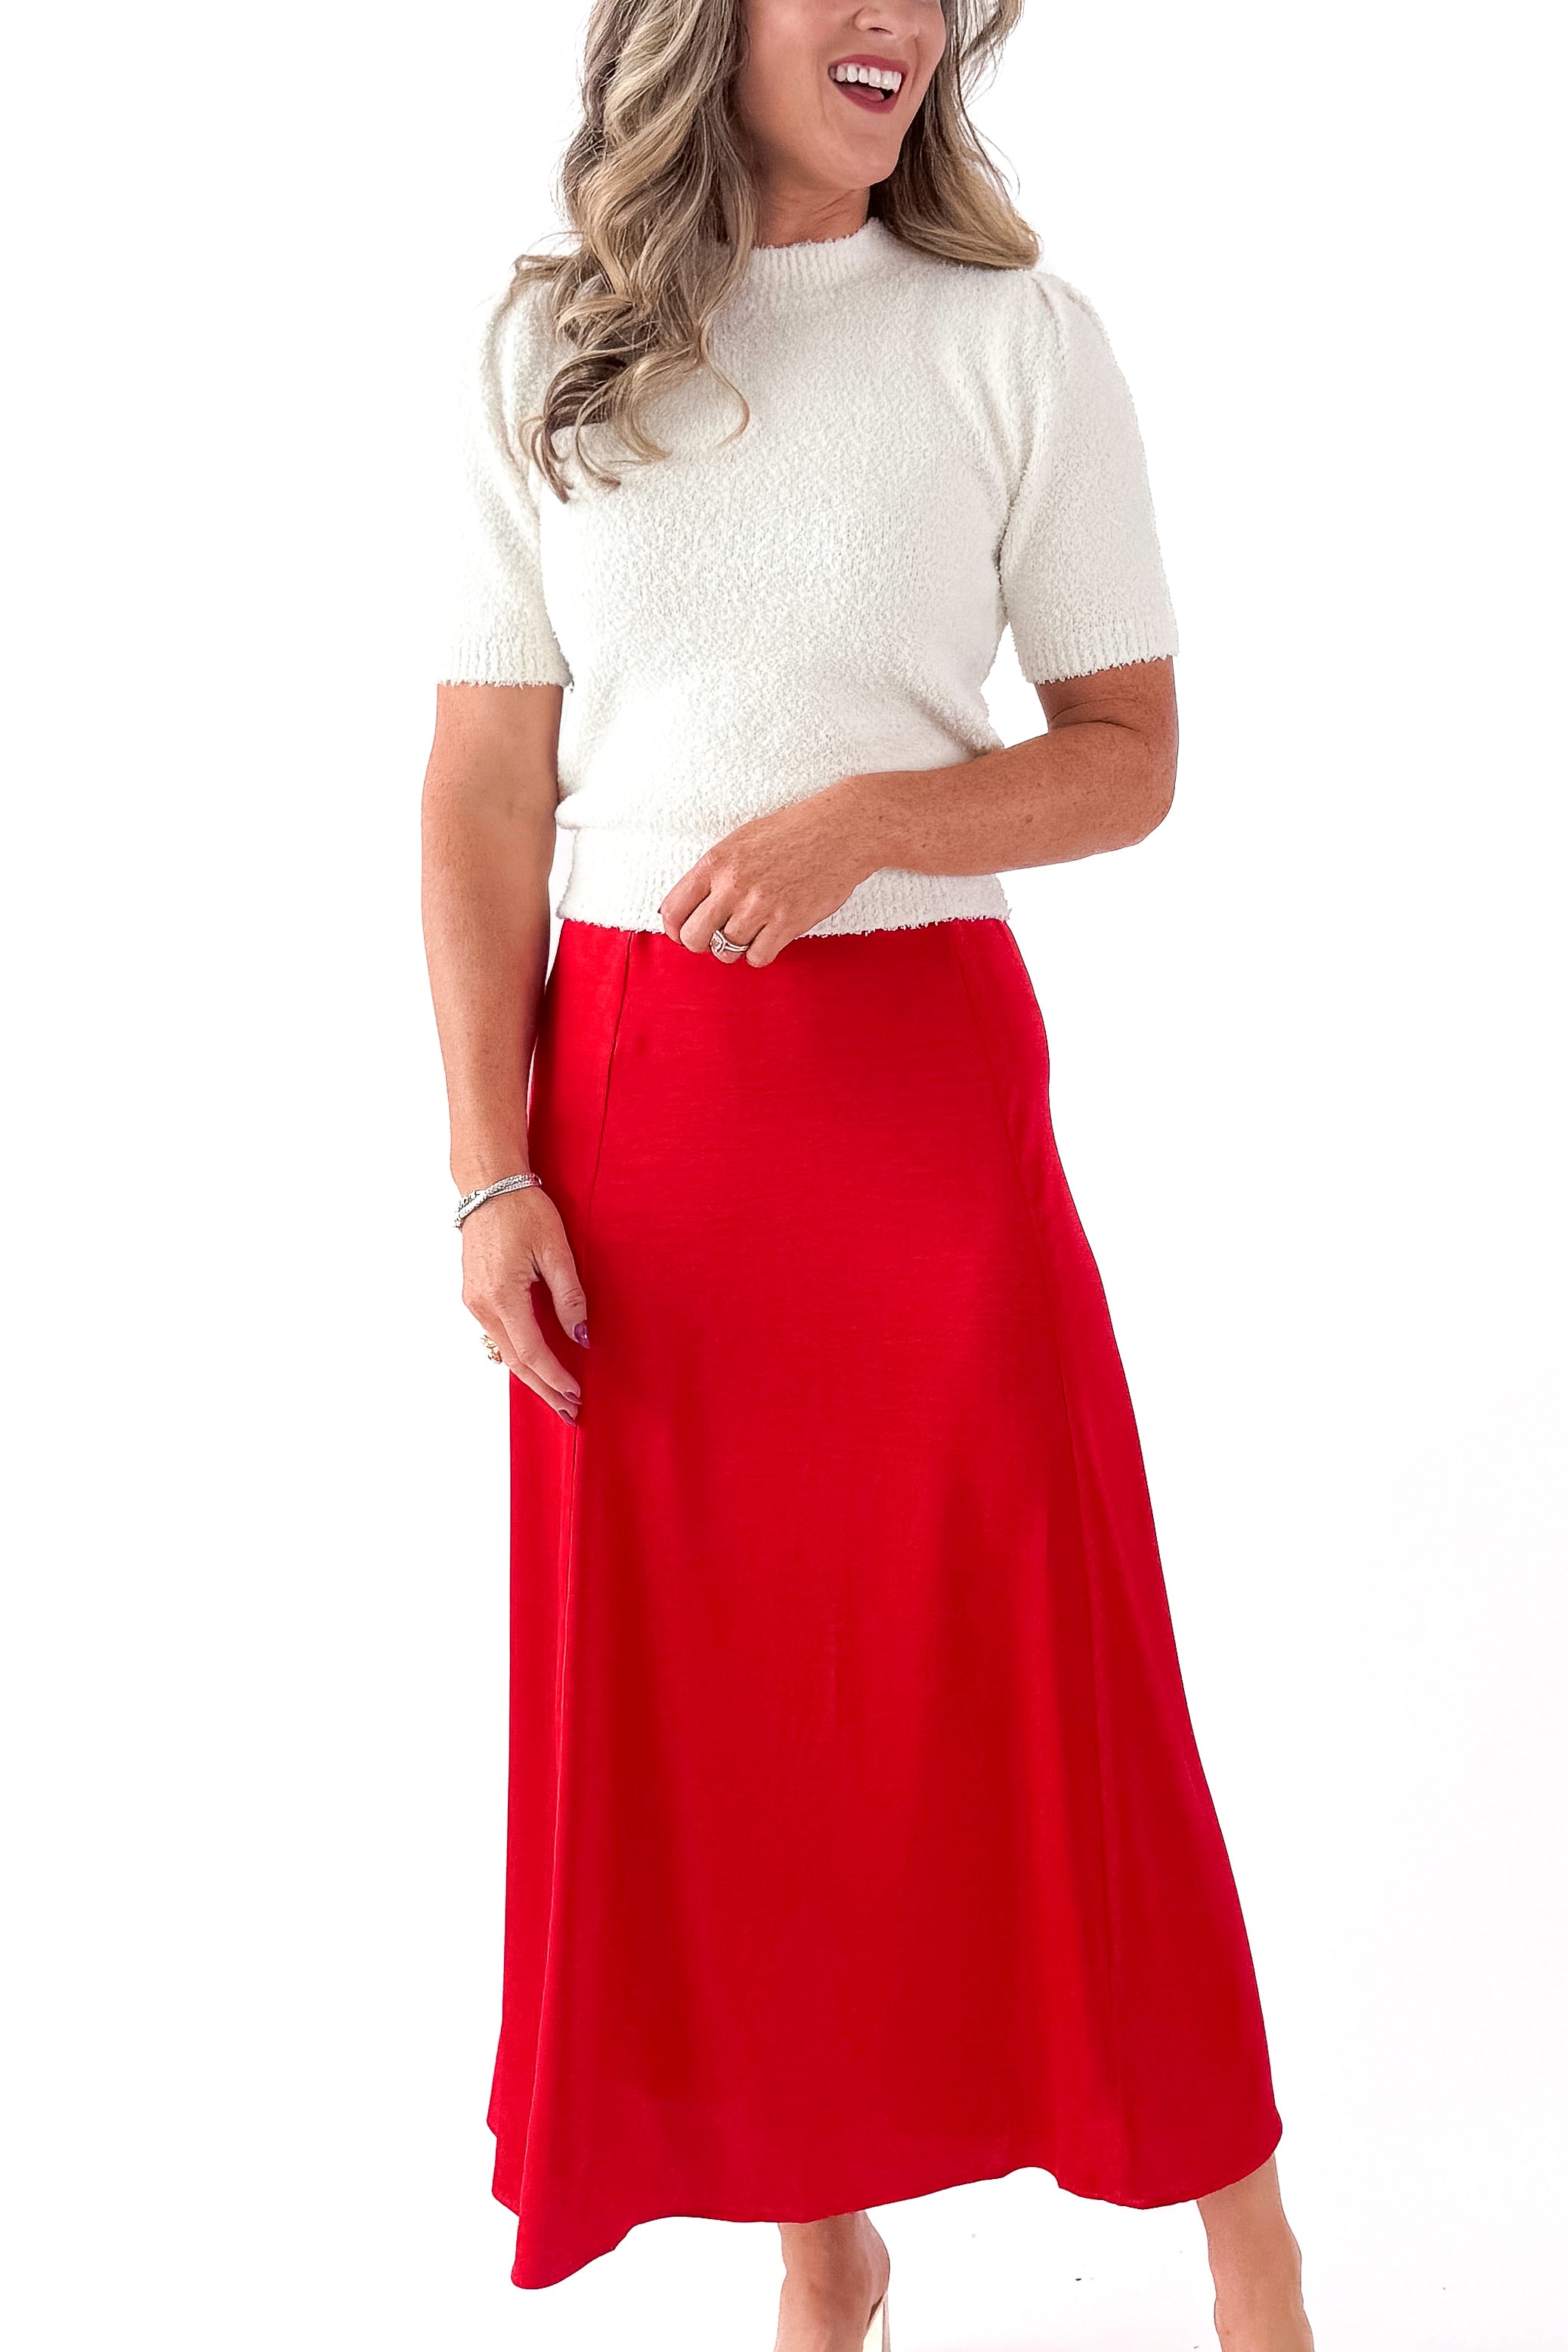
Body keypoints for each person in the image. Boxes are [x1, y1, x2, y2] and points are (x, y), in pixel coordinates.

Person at [420, 4, 1315, 2348]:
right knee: (720, 1707)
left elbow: (1126, 759)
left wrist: (874, 826)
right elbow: (483, 792)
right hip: (632, 1099)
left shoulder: (1015, 340)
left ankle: (1251, 2247)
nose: (901, 20)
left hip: (913, 1098)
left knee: (1054, 1650)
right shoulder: (545, 348)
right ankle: (824, 2256)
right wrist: (480, 1173)